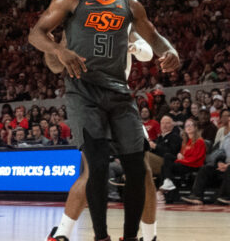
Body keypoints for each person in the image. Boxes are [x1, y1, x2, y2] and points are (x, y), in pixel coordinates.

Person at [30, 0, 179, 241]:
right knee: (95, 167)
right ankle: (94, 236)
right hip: (84, 91)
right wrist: (59, 50)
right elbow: (36, 33)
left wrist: (170, 51)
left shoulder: (129, 6)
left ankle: (136, 236)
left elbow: (153, 37)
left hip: (120, 91)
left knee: (138, 169)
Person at [44, 29, 162, 241]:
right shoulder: (75, 26)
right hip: (89, 103)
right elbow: (55, 66)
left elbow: (147, 52)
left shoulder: (123, 20)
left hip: (120, 101)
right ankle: (62, 233)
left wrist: (134, 47)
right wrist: (52, 47)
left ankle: (149, 236)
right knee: (92, 171)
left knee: (142, 171)